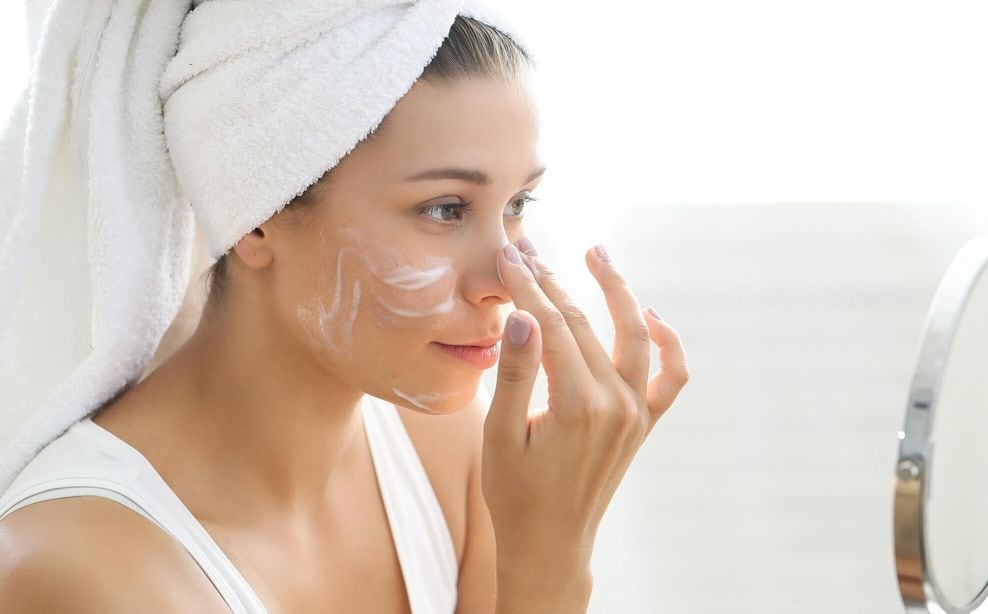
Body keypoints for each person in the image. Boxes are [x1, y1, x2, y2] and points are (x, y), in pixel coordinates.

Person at [0, 4, 689, 613]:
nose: (505, 280)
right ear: (259, 212)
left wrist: (551, 540)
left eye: (515, 206)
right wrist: (544, 571)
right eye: (445, 208)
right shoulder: (81, 571)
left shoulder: (451, 456)